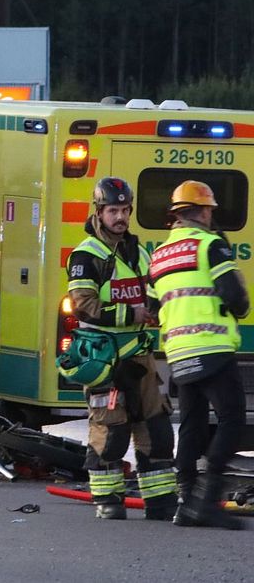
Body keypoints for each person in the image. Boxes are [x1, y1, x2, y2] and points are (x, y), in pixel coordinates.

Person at [66, 177, 176, 520]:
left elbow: (151, 291)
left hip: (140, 359)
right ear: (99, 213)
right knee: (110, 434)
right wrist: (133, 313)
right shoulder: (86, 255)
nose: (121, 216)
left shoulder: (138, 251)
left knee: (156, 432)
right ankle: (108, 501)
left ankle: (160, 502)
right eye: (113, 210)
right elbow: (83, 304)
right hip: (105, 358)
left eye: (125, 210)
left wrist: (158, 310)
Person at [148, 180, 249, 530]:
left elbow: (150, 306)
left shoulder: (159, 255)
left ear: (176, 214)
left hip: (178, 352)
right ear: (205, 211)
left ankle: (184, 501)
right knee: (233, 420)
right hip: (213, 348)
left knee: (191, 425)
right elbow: (235, 297)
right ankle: (207, 500)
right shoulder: (210, 246)